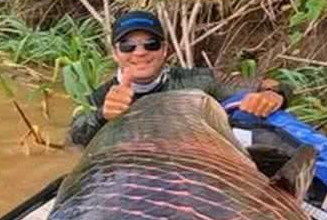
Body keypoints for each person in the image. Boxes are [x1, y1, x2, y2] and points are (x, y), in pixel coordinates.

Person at [67, 10, 291, 147]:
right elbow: (75, 137)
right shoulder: (101, 97)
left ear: (165, 50)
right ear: (115, 53)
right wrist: (102, 116)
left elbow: (275, 85)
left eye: (151, 44)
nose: (140, 52)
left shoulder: (199, 81)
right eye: (128, 46)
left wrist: (273, 96)